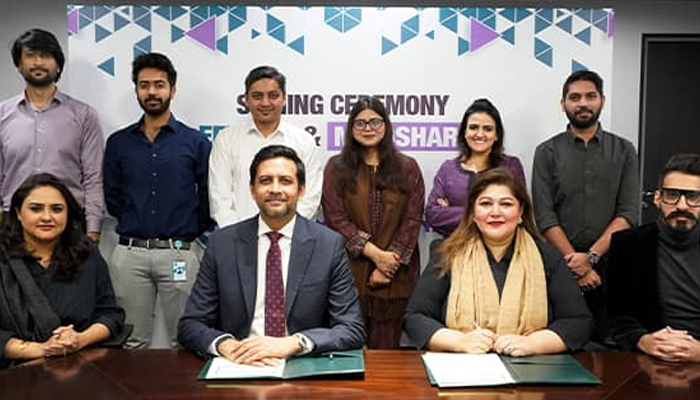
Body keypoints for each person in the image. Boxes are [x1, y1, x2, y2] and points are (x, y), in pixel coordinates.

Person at [178, 145, 364, 364]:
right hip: (239, 363)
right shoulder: (223, 244)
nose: (275, 189)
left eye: (285, 181)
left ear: (301, 190)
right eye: (265, 181)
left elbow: (352, 328)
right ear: (252, 189)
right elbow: (190, 325)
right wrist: (226, 345)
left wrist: (295, 342)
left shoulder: (328, 245)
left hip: (300, 362)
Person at [404, 168, 591, 356]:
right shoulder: (447, 254)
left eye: (506, 204)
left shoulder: (547, 256)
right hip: (464, 367)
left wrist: (533, 344)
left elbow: (577, 321)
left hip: (532, 368)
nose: (495, 212)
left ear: (520, 212)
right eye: (485, 204)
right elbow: (416, 317)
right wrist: (459, 341)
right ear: (473, 214)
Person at [103, 52, 213, 348]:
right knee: (130, 340)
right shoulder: (118, 143)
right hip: (130, 255)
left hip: (179, 253)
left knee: (187, 338)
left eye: (159, 85)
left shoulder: (196, 142)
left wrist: (188, 231)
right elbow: (112, 196)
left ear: (172, 90)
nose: (152, 92)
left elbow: (207, 196)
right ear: (136, 90)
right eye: (144, 85)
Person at [532, 70, 639, 344]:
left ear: (602, 100)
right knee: (561, 343)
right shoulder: (547, 152)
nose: (583, 103)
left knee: (611, 348)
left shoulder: (624, 150)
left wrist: (589, 258)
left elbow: (628, 213)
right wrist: (574, 264)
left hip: (611, 265)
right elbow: (544, 216)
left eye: (590, 96)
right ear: (563, 103)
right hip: (559, 265)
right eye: (574, 97)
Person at [322, 97, 424, 349]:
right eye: (360, 123)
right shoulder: (337, 167)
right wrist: (376, 255)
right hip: (349, 271)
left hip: (395, 274)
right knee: (347, 349)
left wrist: (388, 264)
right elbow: (335, 219)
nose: (368, 128)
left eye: (375, 122)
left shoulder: (407, 167)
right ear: (350, 128)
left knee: (387, 356)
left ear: (386, 125)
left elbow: (412, 219)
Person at [0, 173, 124, 369]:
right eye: (35, 208)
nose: (47, 217)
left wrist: (79, 340)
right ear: (18, 213)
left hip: (79, 368)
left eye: (57, 209)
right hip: (13, 372)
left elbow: (110, 314)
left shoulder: (87, 252)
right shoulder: (4, 258)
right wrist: (40, 349)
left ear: (68, 214)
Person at [0, 28, 104, 241]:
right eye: (30, 55)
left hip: (69, 223)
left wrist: (92, 231)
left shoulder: (84, 115)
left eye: (45, 55)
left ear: (58, 65)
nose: (38, 62)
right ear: (19, 64)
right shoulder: (2, 115)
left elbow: (93, 178)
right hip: (14, 224)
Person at [608, 154, 700, 362]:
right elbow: (616, 318)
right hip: (648, 359)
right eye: (672, 195)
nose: (682, 205)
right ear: (658, 199)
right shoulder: (628, 245)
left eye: (693, 196)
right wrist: (643, 340)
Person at [208, 65, 322, 228]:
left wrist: (284, 231)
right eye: (257, 96)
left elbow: (310, 196)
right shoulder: (226, 140)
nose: (265, 102)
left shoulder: (303, 141)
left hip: (290, 239)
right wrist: (238, 236)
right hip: (238, 240)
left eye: (273, 95)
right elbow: (220, 199)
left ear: (284, 98)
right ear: (246, 99)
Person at [426, 98, 525, 237]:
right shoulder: (448, 170)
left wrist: (452, 212)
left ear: (497, 135)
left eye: (488, 129)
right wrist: (490, 213)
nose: (479, 134)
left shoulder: (510, 167)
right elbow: (433, 215)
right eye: (473, 127)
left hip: (501, 252)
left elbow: (518, 212)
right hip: (456, 250)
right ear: (464, 132)